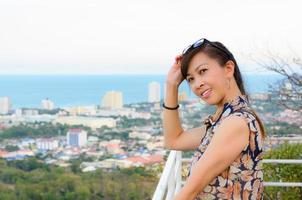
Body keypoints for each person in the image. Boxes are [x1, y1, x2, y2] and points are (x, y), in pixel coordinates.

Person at [162, 38, 266, 200]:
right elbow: (174, 141)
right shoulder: (224, 120)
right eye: (190, 79)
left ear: (229, 68)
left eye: (202, 71)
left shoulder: (235, 122)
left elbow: (188, 193)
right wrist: (171, 85)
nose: (196, 84)